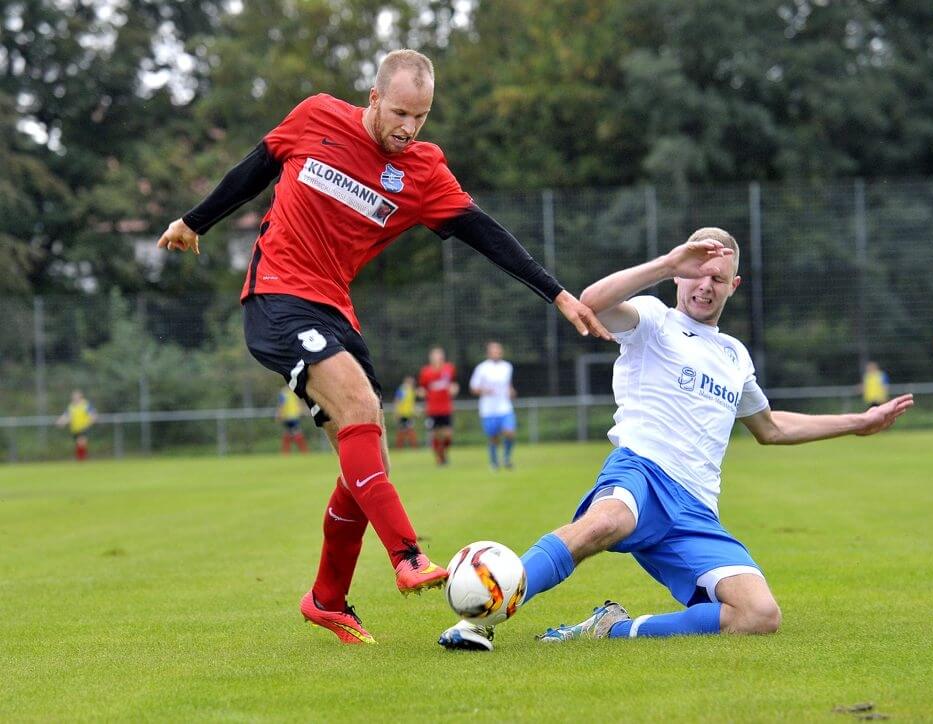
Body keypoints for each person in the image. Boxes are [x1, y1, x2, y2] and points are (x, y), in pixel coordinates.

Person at [156, 49, 609, 646]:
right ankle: (408, 557)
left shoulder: (422, 171)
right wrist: (195, 221)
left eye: (421, 117)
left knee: (364, 461)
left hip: (336, 310)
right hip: (276, 294)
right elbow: (254, 168)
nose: (409, 127)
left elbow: (484, 232)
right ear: (373, 98)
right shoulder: (317, 116)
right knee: (363, 412)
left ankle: (326, 598)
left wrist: (556, 294)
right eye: (400, 112)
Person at [439, 228, 913, 651]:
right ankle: (484, 616)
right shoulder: (654, 319)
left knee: (758, 615)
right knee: (605, 522)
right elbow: (593, 301)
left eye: (718, 279)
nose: (705, 286)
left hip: (696, 509)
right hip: (641, 471)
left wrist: (859, 422)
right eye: (696, 274)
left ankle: (609, 629)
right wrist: (666, 262)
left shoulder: (734, 356)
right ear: (681, 275)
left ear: (734, 286)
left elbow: (771, 428)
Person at [469, 341, 517, 469]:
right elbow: (473, 388)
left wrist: (511, 391)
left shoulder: (507, 367)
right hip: (488, 409)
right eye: (493, 350)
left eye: (498, 350)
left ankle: (507, 458)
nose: (496, 353)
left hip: (504, 407)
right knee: (493, 437)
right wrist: (484, 390)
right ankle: (494, 461)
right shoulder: (482, 368)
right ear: (488, 353)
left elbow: (508, 385)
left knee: (509, 433)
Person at [418, 347, 459, 465]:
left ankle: (443, 453)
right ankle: (440, 459)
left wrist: (454, 389)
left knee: (447, 435)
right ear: (431, 358)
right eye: (434, 356)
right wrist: (421, 392)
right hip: (432, 409)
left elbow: (454, 384)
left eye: (439, 355)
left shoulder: (449, 368)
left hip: (446, 408)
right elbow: (422, 388)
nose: (437, 358)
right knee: (436, 435)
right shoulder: (426, 372)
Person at [55, 390, 97, 462]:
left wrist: (92, 419)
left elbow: (93, 414)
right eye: (74, 397)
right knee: (79, 444)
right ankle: (80, 459)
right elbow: (66, 416)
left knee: (81, 442)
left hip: (84, 427)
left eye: (76, 396)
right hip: (75, 428)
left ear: (80, 397)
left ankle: (81, 459)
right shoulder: (71, 406)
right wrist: (61, 421)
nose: (75, 398)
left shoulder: (86, 405)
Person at [275, 388, 309, 454]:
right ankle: (304, 452)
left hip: (287, 417)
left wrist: (278, 414)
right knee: (297, 433)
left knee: (288, 434)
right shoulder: (294, 392)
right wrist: (304, 411)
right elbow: (299, 403)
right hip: (293, 417)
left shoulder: (284, 392)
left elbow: (281, 405)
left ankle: (285, 453)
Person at [393, 375, 419, 449]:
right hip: (402, 414)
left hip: (409, 414)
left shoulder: (411, 391)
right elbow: (397, 401)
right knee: (402, 431)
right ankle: (399, 447)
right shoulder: (402, 390)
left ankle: (413, 447)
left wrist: (415, 411)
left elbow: (411, 403)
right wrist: (397, 412)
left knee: (409, 430)